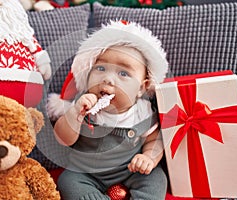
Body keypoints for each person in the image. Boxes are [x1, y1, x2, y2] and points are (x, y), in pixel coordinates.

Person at [51, 20, 169, 200]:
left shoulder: (143, 111)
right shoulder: (84, 104)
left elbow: (155, 139)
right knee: (67, 181)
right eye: (100, 68)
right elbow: (62, 139)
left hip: (130, 170)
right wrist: (75, 114)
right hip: (85, 172)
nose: (108, 79)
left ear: (142, 88)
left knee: (157, 179)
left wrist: (148, 158)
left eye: (123, 73)